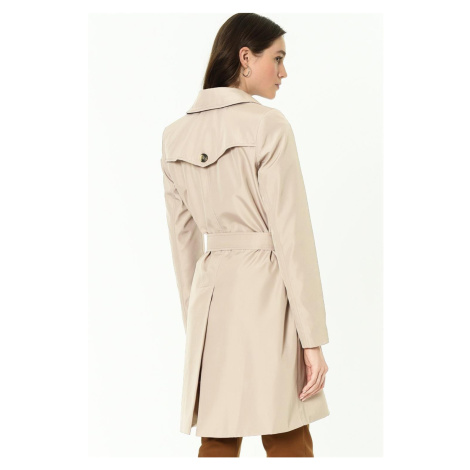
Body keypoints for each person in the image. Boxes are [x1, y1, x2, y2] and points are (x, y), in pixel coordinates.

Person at [160, 13, 330, 458]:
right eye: (278, 58)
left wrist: (196, 325)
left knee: (218, 437)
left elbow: (183, 245)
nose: (283, 72)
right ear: (245, 57)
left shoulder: (174, 137)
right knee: (287, 434)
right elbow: (292, 236)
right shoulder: (268, 126)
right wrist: (312, 338)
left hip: (211, 298)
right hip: (271, 292)